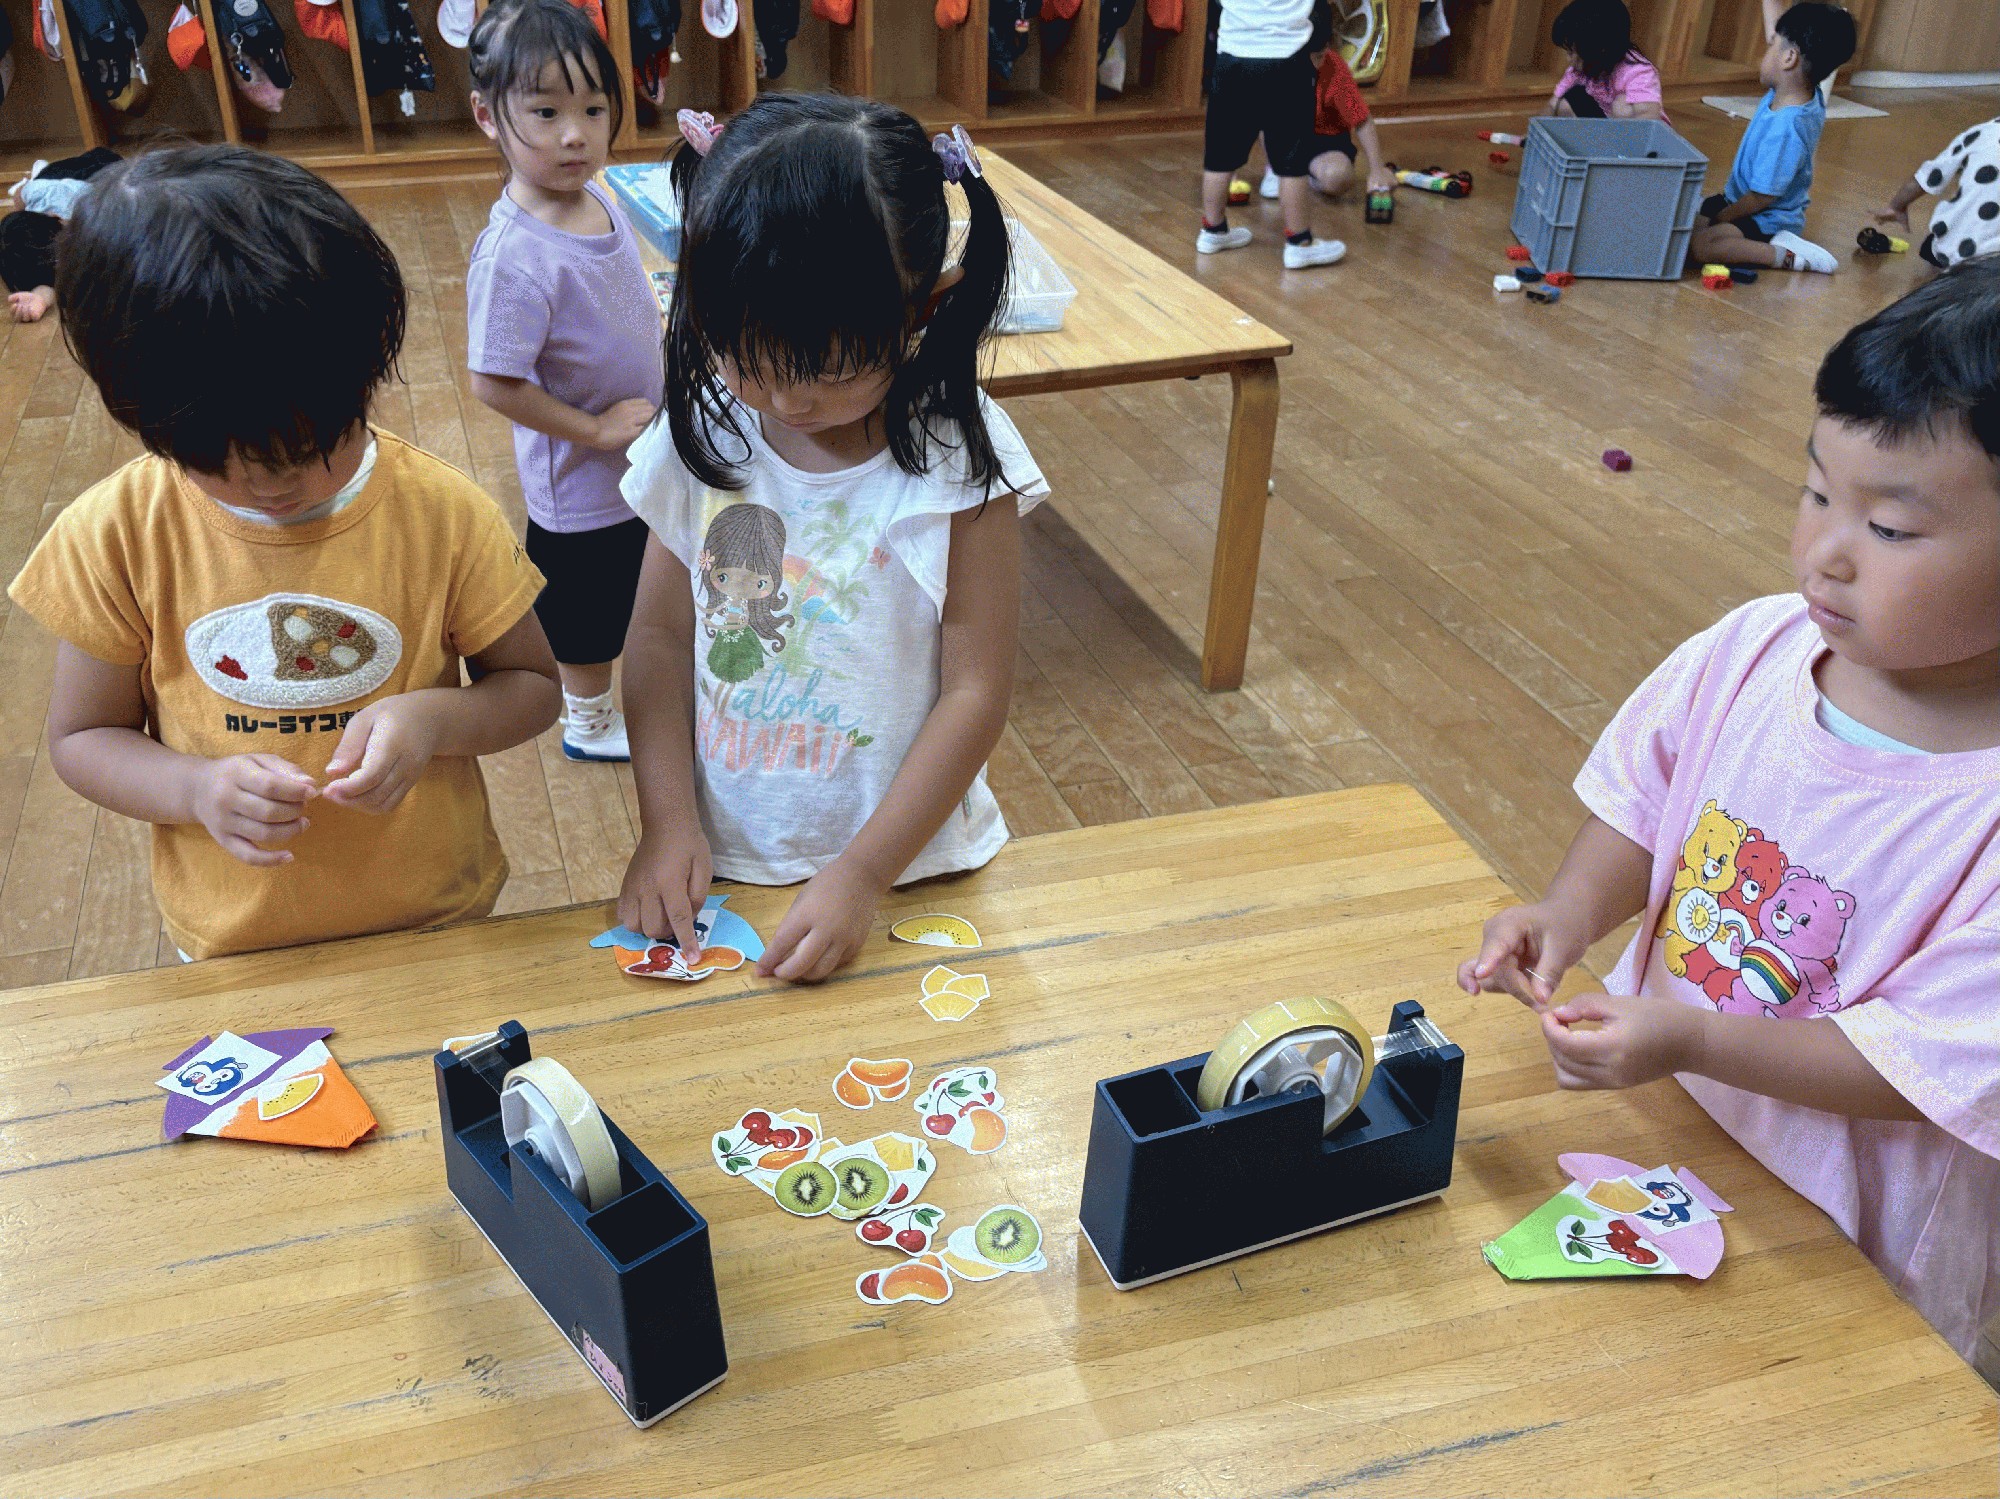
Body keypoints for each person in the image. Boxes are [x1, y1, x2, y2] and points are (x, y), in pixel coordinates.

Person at [1459, 263, 2000, 1367]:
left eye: (1889, 527)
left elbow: (1921, 1066)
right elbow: (1645, 799)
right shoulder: (1755, 647)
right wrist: (1567, 912)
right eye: (1816, 493)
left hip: (1850, 1241)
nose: (1825, 552)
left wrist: (1693, 1034)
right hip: (1654, 1124)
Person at [7, 146, 562, 960]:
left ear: (363, 381)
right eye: (221, 461)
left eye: (310, 447)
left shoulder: (442, 512)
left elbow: (534, 687)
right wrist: (196, 788)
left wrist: (432, 718)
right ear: (143, 418)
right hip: (236, 934)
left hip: (434, 912)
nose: (275, 486)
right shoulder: (116, 534)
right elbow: (82, 738)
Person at [616, 93, 1047, 982]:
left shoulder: (964, 462)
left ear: (924, 308)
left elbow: (976, 692)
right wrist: (665, 820)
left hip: (915, 868)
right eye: (744, 356)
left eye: (830, 367)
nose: (786, 399)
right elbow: (657, 638)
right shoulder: (708, 431)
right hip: (729, 860)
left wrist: (862, 873)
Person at [466, 0, 661, 763]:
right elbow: (493, 382)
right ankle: (587, 719)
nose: (575, 133)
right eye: (546, 112)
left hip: (638, 452)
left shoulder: (599, 196)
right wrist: (594, 429)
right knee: (586, 610)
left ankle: (638, 690)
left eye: (594, 109)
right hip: (580, 480)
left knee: (640, 577)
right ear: (489, 116)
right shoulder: (513, 256)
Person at [1689, 0, 1857, 273]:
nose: (1766, 50)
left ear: (1789, 58)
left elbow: (1761, 197)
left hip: (1766, 217)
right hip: (1741, 200)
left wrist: (1722, 218)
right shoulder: (1798, 88)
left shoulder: (1787, 129)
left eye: (1771, 46)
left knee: (1702, 245)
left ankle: (1786, 255)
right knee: (1682, 218)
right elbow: (1779, 31)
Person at [1198, 0, 1348, 269]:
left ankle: (1212, 230)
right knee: (1292, 164)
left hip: (1232, 58)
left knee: (1219, 157)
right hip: (1287, 61)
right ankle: (1299, 242)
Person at [1256, 44, 1396, 206]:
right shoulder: (1274, 62)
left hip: (1326, 140)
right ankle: (1276, 171)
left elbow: (1362, 119)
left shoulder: (1334, 67)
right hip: (1287, 135)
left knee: (1338, 178)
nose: (1314, 64)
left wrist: (1377, 170)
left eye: (1319, 57)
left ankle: (1303, 175)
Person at [1, 146, 122, 322]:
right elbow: (50, 279)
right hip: (47, 199)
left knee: (107, 159)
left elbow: (20, 196)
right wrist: (40, 295)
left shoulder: (96, 213)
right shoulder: (34, 252)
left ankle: (36, 176)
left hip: (87, 172)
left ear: (58, 220)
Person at [1874, 115, 2000, 272]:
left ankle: (1939, 278)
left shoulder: (1983, 132)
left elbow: (1928, 178)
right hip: (1993, 264)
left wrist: (1895, 207)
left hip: (1953, 251)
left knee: (1936, 246)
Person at [1543, 0, 1666, 122]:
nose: (1568, 59)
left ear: (1597, 50)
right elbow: (1552, 105)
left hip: (1635, 131)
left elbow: (1649, 119)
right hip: (1604, 125)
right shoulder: (1578, 70)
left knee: (1621, 107)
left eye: (1571, 52)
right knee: (1564, 103)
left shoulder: (1636, 71)